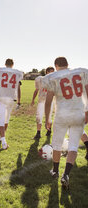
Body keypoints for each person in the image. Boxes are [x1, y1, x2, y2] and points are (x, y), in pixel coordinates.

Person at [43, 57, 88, 189]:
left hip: (62, 115)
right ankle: (66, 174)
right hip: (78, 114)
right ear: (68, 64)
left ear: (56, 65)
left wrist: (47, 118)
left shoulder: (52, 77)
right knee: (73, 146)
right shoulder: (80, 72)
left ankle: (55, 171)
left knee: (57, 145)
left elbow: (48, 101)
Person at [0, 59, 23, 149]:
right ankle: (1, 137)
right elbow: (18, 88)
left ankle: (3, 141)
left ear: (5, 64)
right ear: (13, 64)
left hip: (1, 97)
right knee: (6, 120)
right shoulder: (18, 73)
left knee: (1, 121)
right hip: (11, 98)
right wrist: (19, 100)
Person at [31, 67, 55, 139]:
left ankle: (49, 130)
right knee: (39, 117)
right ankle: (38, 133)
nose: (52, 73)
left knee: (49, 117)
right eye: (51, 71)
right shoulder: (40, 79)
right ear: (47, 72)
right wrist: (33, 100)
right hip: (41, 100)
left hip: (50, 101)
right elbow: (36, 90)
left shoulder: (54, 80)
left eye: (53, 72)